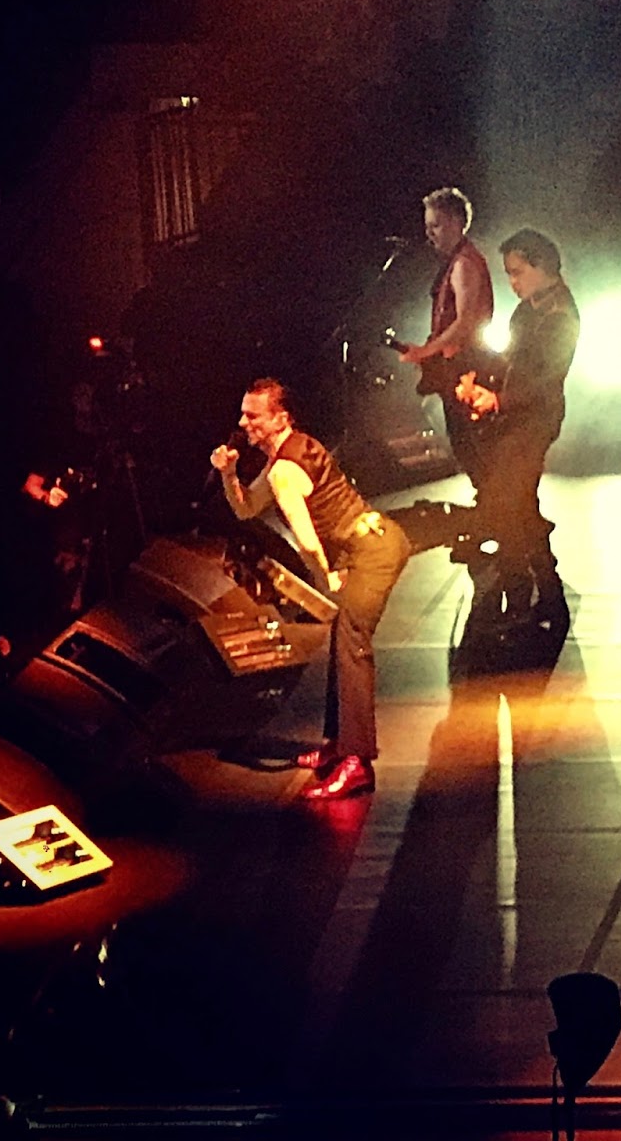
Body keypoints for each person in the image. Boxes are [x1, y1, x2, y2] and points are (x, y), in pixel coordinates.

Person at [210, 379, 411, 799]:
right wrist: (229, 474)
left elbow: (306, 541)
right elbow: (246, 508)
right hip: (372, 544)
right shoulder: (290, 451)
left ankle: (357, 763)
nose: (243, 423)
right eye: (243, 413)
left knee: (352, 643)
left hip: (372, 552)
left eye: (253, 415)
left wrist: (327, 579)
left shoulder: (283, 470)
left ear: (280, 418)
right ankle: (339, 744)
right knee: (343, 640)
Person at [455, 229, 580, 638]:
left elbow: (545, 382)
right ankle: (546, 594)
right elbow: (508, 357)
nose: (512, 282)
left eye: (518, 272)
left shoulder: (561, 316)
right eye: (509, 273)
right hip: (514, 421)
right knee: (519, 507)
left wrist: (497, 401)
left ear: (543, 267)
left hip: (535, 423)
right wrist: (478, 381)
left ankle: (524, 592)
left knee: (508, 506)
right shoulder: (527, 311)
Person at [395, 187, 495, 490]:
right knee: (461, 439)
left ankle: (493, 500)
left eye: (435, 225)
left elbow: (465, 323)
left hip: (467, 364)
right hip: (455, 362)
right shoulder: (455, 262)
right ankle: (487, 498)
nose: (429, 234)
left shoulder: (465, 263)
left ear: (455, 222)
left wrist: (426, 352)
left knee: (470, 441)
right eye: (427, 226)